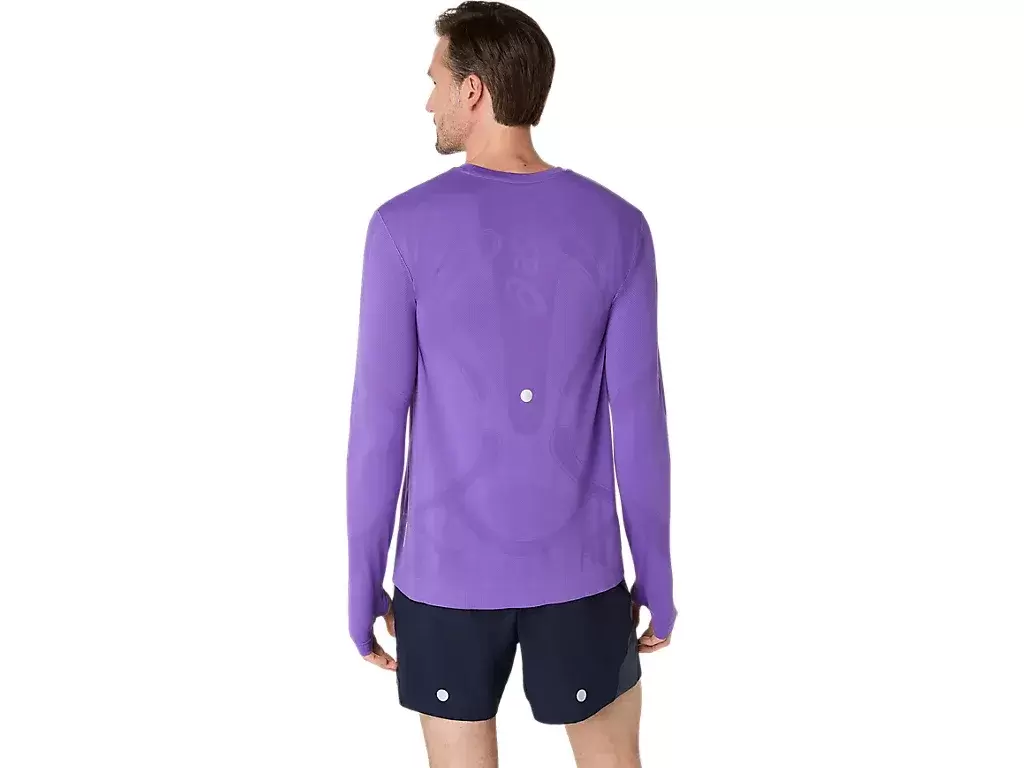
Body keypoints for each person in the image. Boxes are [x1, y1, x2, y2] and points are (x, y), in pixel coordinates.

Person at [346, 3, 675, 765]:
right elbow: (639, 419)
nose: (428, 100)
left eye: (436, 80)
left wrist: (362, 580)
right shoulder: (619, 225)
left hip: (444, 578)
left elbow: (376, 426)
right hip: (582, 575)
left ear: (474, 90)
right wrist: (655, 571)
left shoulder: (400, 227)